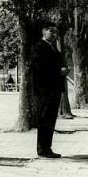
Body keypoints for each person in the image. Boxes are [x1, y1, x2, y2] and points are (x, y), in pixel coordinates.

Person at [31, 22, 67, 158]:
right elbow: (40, 68)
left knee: (51, 119)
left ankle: (48, 148)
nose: (54, 34)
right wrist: (59, 71)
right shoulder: (39, 47)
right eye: (51, 31)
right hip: (44, 89)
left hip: (54, 88)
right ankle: (42, 149)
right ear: (44, 31)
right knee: (45, 118)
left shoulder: (53, 47)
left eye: (56, 32)